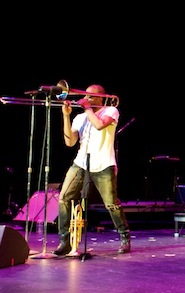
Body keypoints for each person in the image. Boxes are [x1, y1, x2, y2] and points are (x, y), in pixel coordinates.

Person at [54, 84, 131, 256]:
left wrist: (87, 108)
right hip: (81, 163)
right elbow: (70, 142)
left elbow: (99, 125)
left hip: (103, 164)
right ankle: (64, 242)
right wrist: (66, 117)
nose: (87, 99)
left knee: (111, 203)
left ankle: (124, 237)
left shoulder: (111, 111)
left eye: (91, 96)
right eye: (86, 96)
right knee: (63, 198)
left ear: (102, 98)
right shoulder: (80, 117)